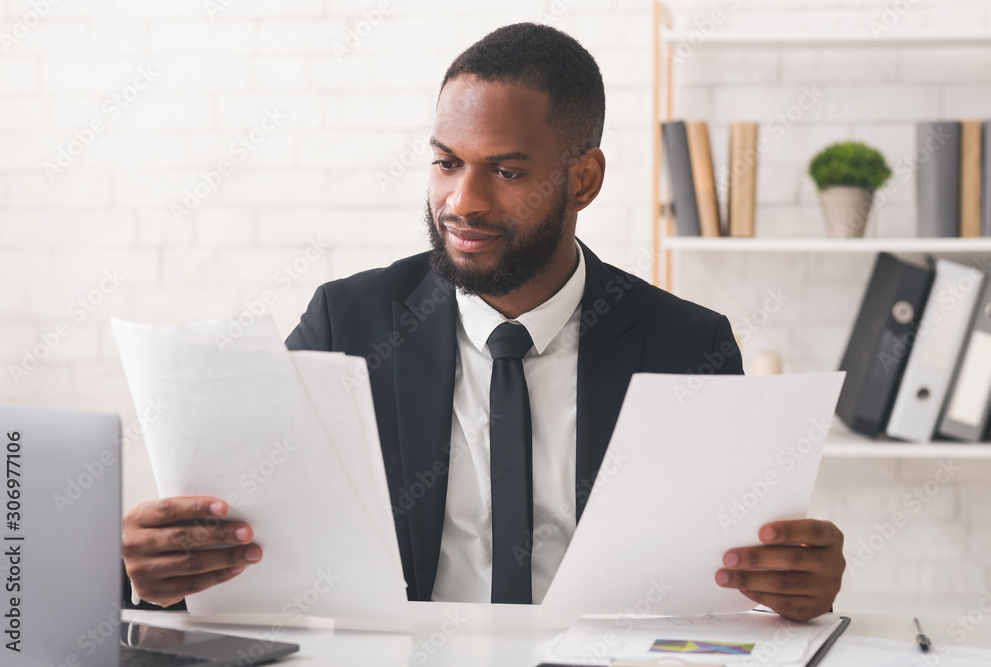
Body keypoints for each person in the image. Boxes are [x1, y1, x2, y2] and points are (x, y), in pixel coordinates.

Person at [122, 23, 844, 622]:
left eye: (505, 171)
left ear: (583, 180)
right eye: (445, 163)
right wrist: (166, 575)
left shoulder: (687, 344)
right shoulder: (349, 322)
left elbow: (727, 578)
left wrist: (791, 588)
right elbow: (256, 546)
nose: (461, 202)